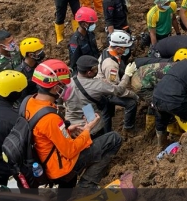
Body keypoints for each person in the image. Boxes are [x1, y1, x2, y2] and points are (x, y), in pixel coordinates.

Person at [29, 59, 122, 196]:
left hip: (44, 160)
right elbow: (70, 151)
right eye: (63, 86)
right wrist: (87, 130)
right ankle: (87, 185)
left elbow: (44, 134)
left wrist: (66, 130)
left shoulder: (30, 102)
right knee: (114, 139)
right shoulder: (51, 118)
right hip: (61, 167)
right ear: (55, 87)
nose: (66, 89)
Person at [65, 56, 137, 138]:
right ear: (89, 72)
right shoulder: (97, 85)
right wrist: (127, 75)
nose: (97, 71)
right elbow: (119, 90)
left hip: (72, 127)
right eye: (95, 69)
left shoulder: (67, 84)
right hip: (92, 126)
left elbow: (60, 103)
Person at [131, 49, 187, 135]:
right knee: (162, 107)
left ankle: (151, 126)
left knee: (154, 103)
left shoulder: (180, 69)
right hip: (141, 83)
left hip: (145, 77)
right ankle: (166, 132)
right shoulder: (177, 75)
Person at [95, 31, 138, 133]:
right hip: (106, 92)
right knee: (131, 103)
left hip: (103, 85)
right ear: (118, 48)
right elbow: (117, 91)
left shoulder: (108, 51)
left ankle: (107, 131)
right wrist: (133, 94)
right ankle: (128, 128)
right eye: (125, 48)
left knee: (107, 113)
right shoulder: (111, 66)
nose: (127, 50)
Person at [69, 7, 100, 73]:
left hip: (95, 67)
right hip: (86, 73)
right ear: (84, 24)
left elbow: (95, 51)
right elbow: (74, 65)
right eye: (91, 23)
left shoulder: (90, 34)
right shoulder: (75, 42)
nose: (93, 25)